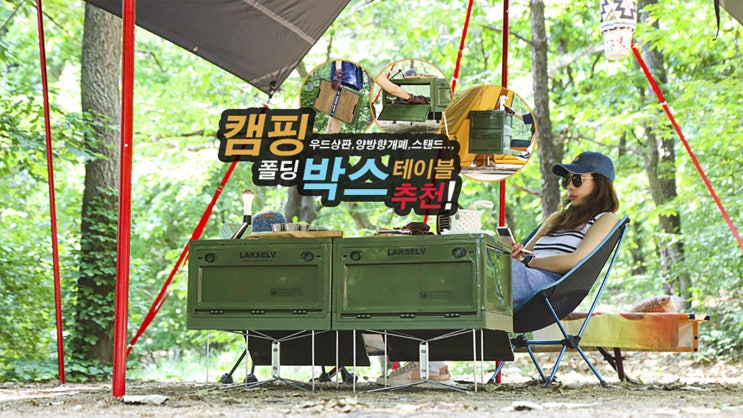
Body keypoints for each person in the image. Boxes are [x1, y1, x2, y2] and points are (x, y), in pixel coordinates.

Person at [375, 151, 619, 385]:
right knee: (447, 272)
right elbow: (524, 255)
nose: (570, 187)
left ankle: (430, 365)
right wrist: (513, 252)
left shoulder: (605, 218)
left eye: (577, 179)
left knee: (462, 268)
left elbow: (576, 261)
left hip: (549, 288)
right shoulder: (557, 217)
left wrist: (528, 261)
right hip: (523, 275)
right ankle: (432, 365)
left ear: (600, 184)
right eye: (567, 181)